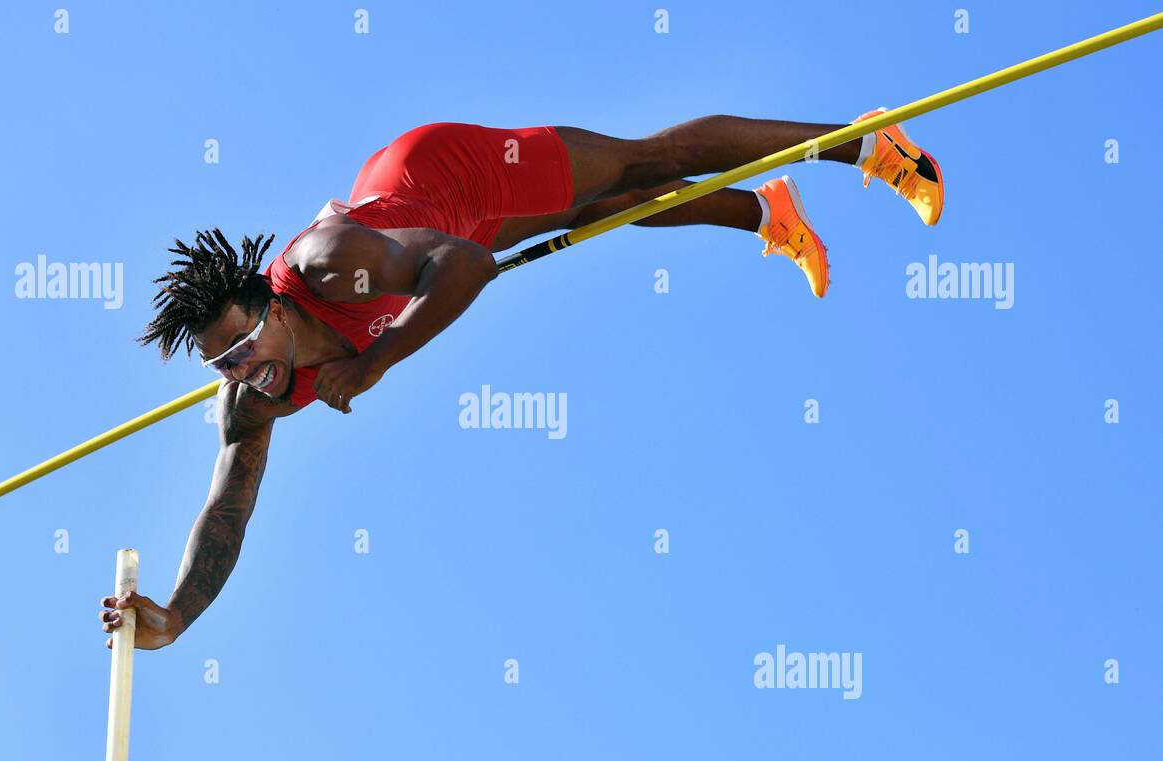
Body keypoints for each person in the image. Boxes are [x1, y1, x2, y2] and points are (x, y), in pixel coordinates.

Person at [100, 114, 943, 649]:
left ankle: (868, 143)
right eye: (222, 363)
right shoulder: (251, 397)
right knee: (604, 211)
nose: (240, 369)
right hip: (429, 223)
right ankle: (771, 215)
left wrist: (377, 359)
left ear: (269, 306)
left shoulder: (330, 269)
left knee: (645, 164)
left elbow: (466, 262)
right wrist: (176, 616)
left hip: (456, 173)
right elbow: (228, 509)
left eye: (241, 344)